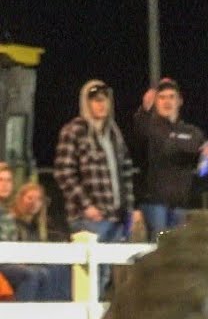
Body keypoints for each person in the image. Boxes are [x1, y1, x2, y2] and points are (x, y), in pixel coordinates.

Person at [53, 80, 142, 247]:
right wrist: (86, 206)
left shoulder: (114, 134)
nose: (101, 104)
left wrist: (129, 209)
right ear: (86, 103)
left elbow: (126, 172)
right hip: (88, 218)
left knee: (110, 272)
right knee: (90, 271)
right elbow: (63, 173)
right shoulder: (74, 130)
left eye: (104, 99)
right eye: (96, 100)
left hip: (116, 218)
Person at [132, 77, 208, 240]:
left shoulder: (192, 132)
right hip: (155, 204)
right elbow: (138, 133)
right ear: (155, 102)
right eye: (162, 97)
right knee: (159, 246)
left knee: (178, 250)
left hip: (182, 205)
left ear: (180, 101)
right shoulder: (149, 127)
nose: (167, 101)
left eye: (171, 97)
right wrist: (144, 110)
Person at [0, 182, 69, 301]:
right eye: (30, 198)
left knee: (59, 269)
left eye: (38, 199)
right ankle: (22, 317)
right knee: (36, 273)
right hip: (10, 262)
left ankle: (53, 313)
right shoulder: (11, 221)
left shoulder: (41, 226)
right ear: (20, 199)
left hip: (28, 261)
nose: (34, 203)